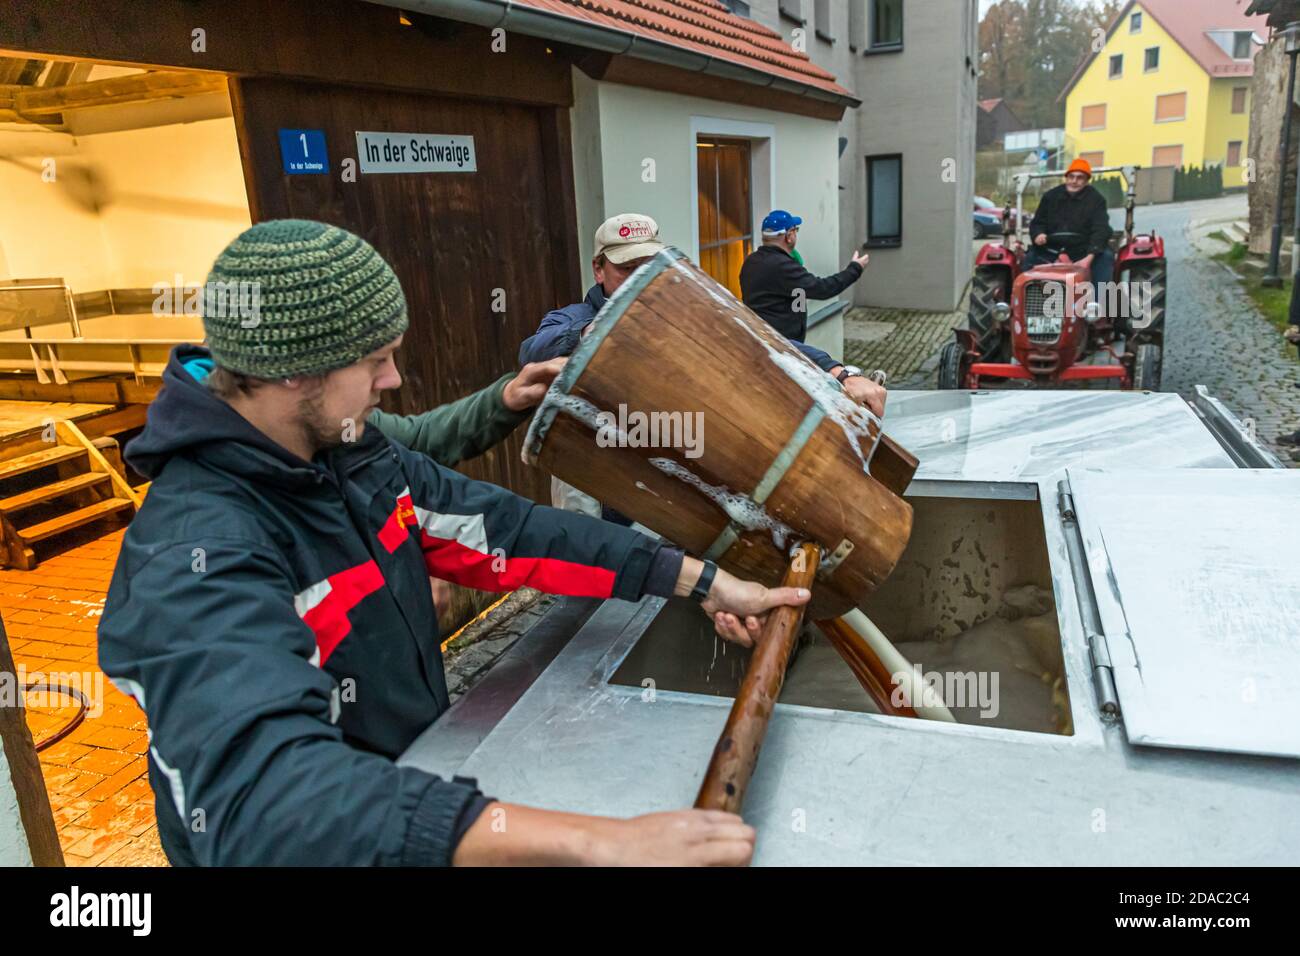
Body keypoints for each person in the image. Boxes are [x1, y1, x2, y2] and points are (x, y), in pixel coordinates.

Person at [97, 219, 809, 866]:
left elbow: (511, 532)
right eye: (375, 360)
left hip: (416, 798)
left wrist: (704, 581)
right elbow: (269, 797)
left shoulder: (354, 455)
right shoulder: (195, 552)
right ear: (294, 371)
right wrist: (600, 842)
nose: (394, 380)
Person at [739, 210, 885, 414]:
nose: (796, 235)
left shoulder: (751, 262)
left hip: (765, 339)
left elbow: (790, 295)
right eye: (795, 231)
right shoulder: (782, 266)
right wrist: (855, 268)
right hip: (782, 346)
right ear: (789, 235)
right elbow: (823, 288)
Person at [1025, 158, 1114, 291]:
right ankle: (1016, 304)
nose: (1074, 181)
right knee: (1028, 259)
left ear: (1086, 180)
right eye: (1071, 176)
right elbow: (1038, 222)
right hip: (1051, 249)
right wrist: (1038, 234)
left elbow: (1101, 229)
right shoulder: (1050, 197)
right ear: (1066, 178)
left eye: (1080, 178)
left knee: (1105, 258)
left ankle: (1097, 306)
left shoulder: (1096, 200)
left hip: (1083, 250)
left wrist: (1088, 259)